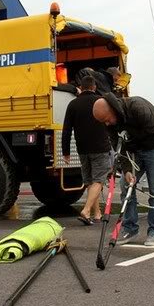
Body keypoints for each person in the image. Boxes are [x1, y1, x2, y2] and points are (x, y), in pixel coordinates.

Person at [92, 93, 154, 246]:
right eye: (103, 122)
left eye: (107, 119)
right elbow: (118, 147)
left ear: (114, 110)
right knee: (126, 186)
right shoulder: (110, 124)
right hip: (134, 153)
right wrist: (126, 170)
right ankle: (130, 229)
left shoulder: (138, 107)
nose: (107, 124)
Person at [62, 76, 112, 225]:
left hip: (82, 149)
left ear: (81, 87)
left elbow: (66, 129)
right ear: (94, 87)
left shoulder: (73, 104)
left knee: (90, 181)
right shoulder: (101, 101)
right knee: (98, 180)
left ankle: (96, 214)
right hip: (100, 147)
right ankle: (86, 210)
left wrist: (66, 152)